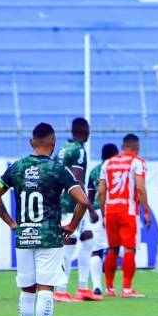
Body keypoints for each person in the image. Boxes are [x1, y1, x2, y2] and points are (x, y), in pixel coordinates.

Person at [0, 122, 88, 316]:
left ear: (31, 142)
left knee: (26, 288)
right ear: (53, 144)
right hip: (49, 236)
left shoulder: (16, 167)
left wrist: (12, 223)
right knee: (46, 287)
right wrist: (72, 224)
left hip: (24, 236)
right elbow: (83, 200)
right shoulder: (57, 169)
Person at [98, 133, 152, 298]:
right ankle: (127, 289)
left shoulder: (107, 163)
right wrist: (146, 210)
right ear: (137, 148)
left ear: (123, 146)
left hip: (110, 209)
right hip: (127, 209)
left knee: (112, 249)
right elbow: (140, 188)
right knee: (129, 248)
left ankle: (109, 288)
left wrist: (103, 213)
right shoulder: (137, 162)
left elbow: (101, 192)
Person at [55, 118, 97, 302]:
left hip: (67, 200)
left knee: (88, 240)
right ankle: (61, 290)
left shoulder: (64, 149)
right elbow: (77, 179)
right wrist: (90, 207)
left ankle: (83, 288)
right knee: (68, 245)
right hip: (70, 202)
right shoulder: (79, 150)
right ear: (85, 132)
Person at [86, 142, 117, 296]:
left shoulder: (94, 172)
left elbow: (89, 197)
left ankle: (97, 286)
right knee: (115, 248)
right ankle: (111, 286)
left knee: (96, 250)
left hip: (97, 212)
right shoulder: (117, 169)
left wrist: (91, 212)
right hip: (114, 210)